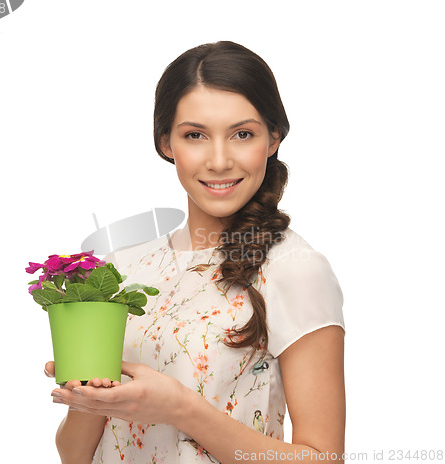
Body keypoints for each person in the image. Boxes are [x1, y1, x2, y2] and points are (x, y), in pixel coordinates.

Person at [45, 40, 346, 464]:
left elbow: (324, 459)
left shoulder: (295, 269)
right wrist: (85, 396)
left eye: (243, 134)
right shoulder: (123, 270)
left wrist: (180, 409)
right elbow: (75, 455)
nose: (219, 161)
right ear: (166, 143)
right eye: (195, 135)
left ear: (274, 138)